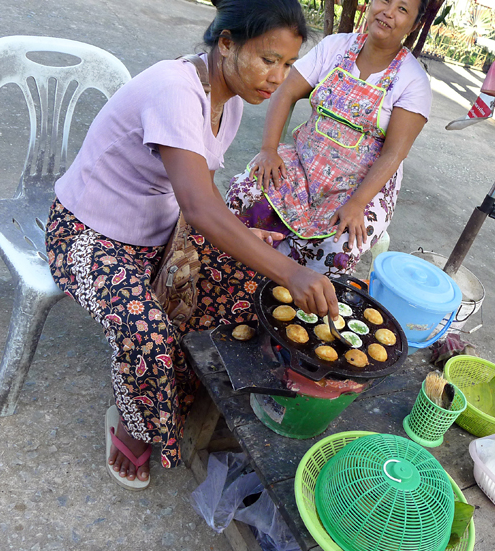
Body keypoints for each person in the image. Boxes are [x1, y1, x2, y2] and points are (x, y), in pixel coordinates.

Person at [45, 0, 338, 490]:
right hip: (86, 234)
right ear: (226, 43)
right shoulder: (173, 90)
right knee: (147, 331)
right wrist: (290, 271)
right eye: (268, 59)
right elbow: (201, 211)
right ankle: (134, 420)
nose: (277, 76)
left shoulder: (234, 99)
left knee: (247, 283)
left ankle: (184, 390)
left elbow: (201, 188)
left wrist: (245, 237)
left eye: (287, 64)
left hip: (156, 235)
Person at [225, 0, 432, 276]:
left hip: (360, 186)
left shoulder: (412, 80)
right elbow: (286, 92)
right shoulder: (336, 47)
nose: (389, 12)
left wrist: (357, 204)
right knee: (246, 193)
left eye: (403, 9)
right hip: (303, 163)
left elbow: (394, 153)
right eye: (384, 0)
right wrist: (268, 149)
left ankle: (297, 305)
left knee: (340, 246)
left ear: (415, 25)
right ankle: (234, 281)